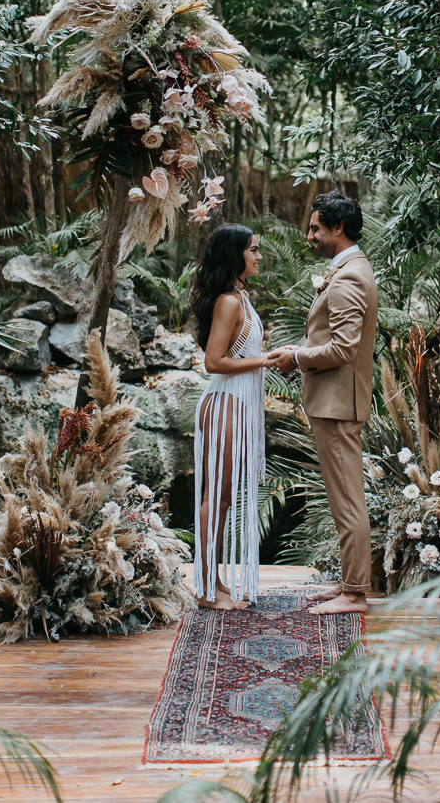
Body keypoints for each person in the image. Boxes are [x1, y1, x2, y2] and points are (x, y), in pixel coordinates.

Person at [270, 191, 378, 614]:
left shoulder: (350, 275)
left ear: (338, 229)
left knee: (348, 497)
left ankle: (354, 593)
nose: (309, 234)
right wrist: (299, 350)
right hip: (331, 402)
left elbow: (343, 348)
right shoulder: (346, 269)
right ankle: (349, 584)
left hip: (338, 405)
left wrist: (295, 357)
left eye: (316, 227)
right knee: (341, 496)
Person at [190, 224, 273, 610]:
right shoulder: (228, 301)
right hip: (224, 402)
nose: (258, 256)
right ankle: (206, 590)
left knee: (223, 499)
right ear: (235, 254)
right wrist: (265, 359)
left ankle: (215, 580)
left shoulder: (241, 296)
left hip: (237, 405)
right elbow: (213, 361)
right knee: (216, 497)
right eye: (252, 250)